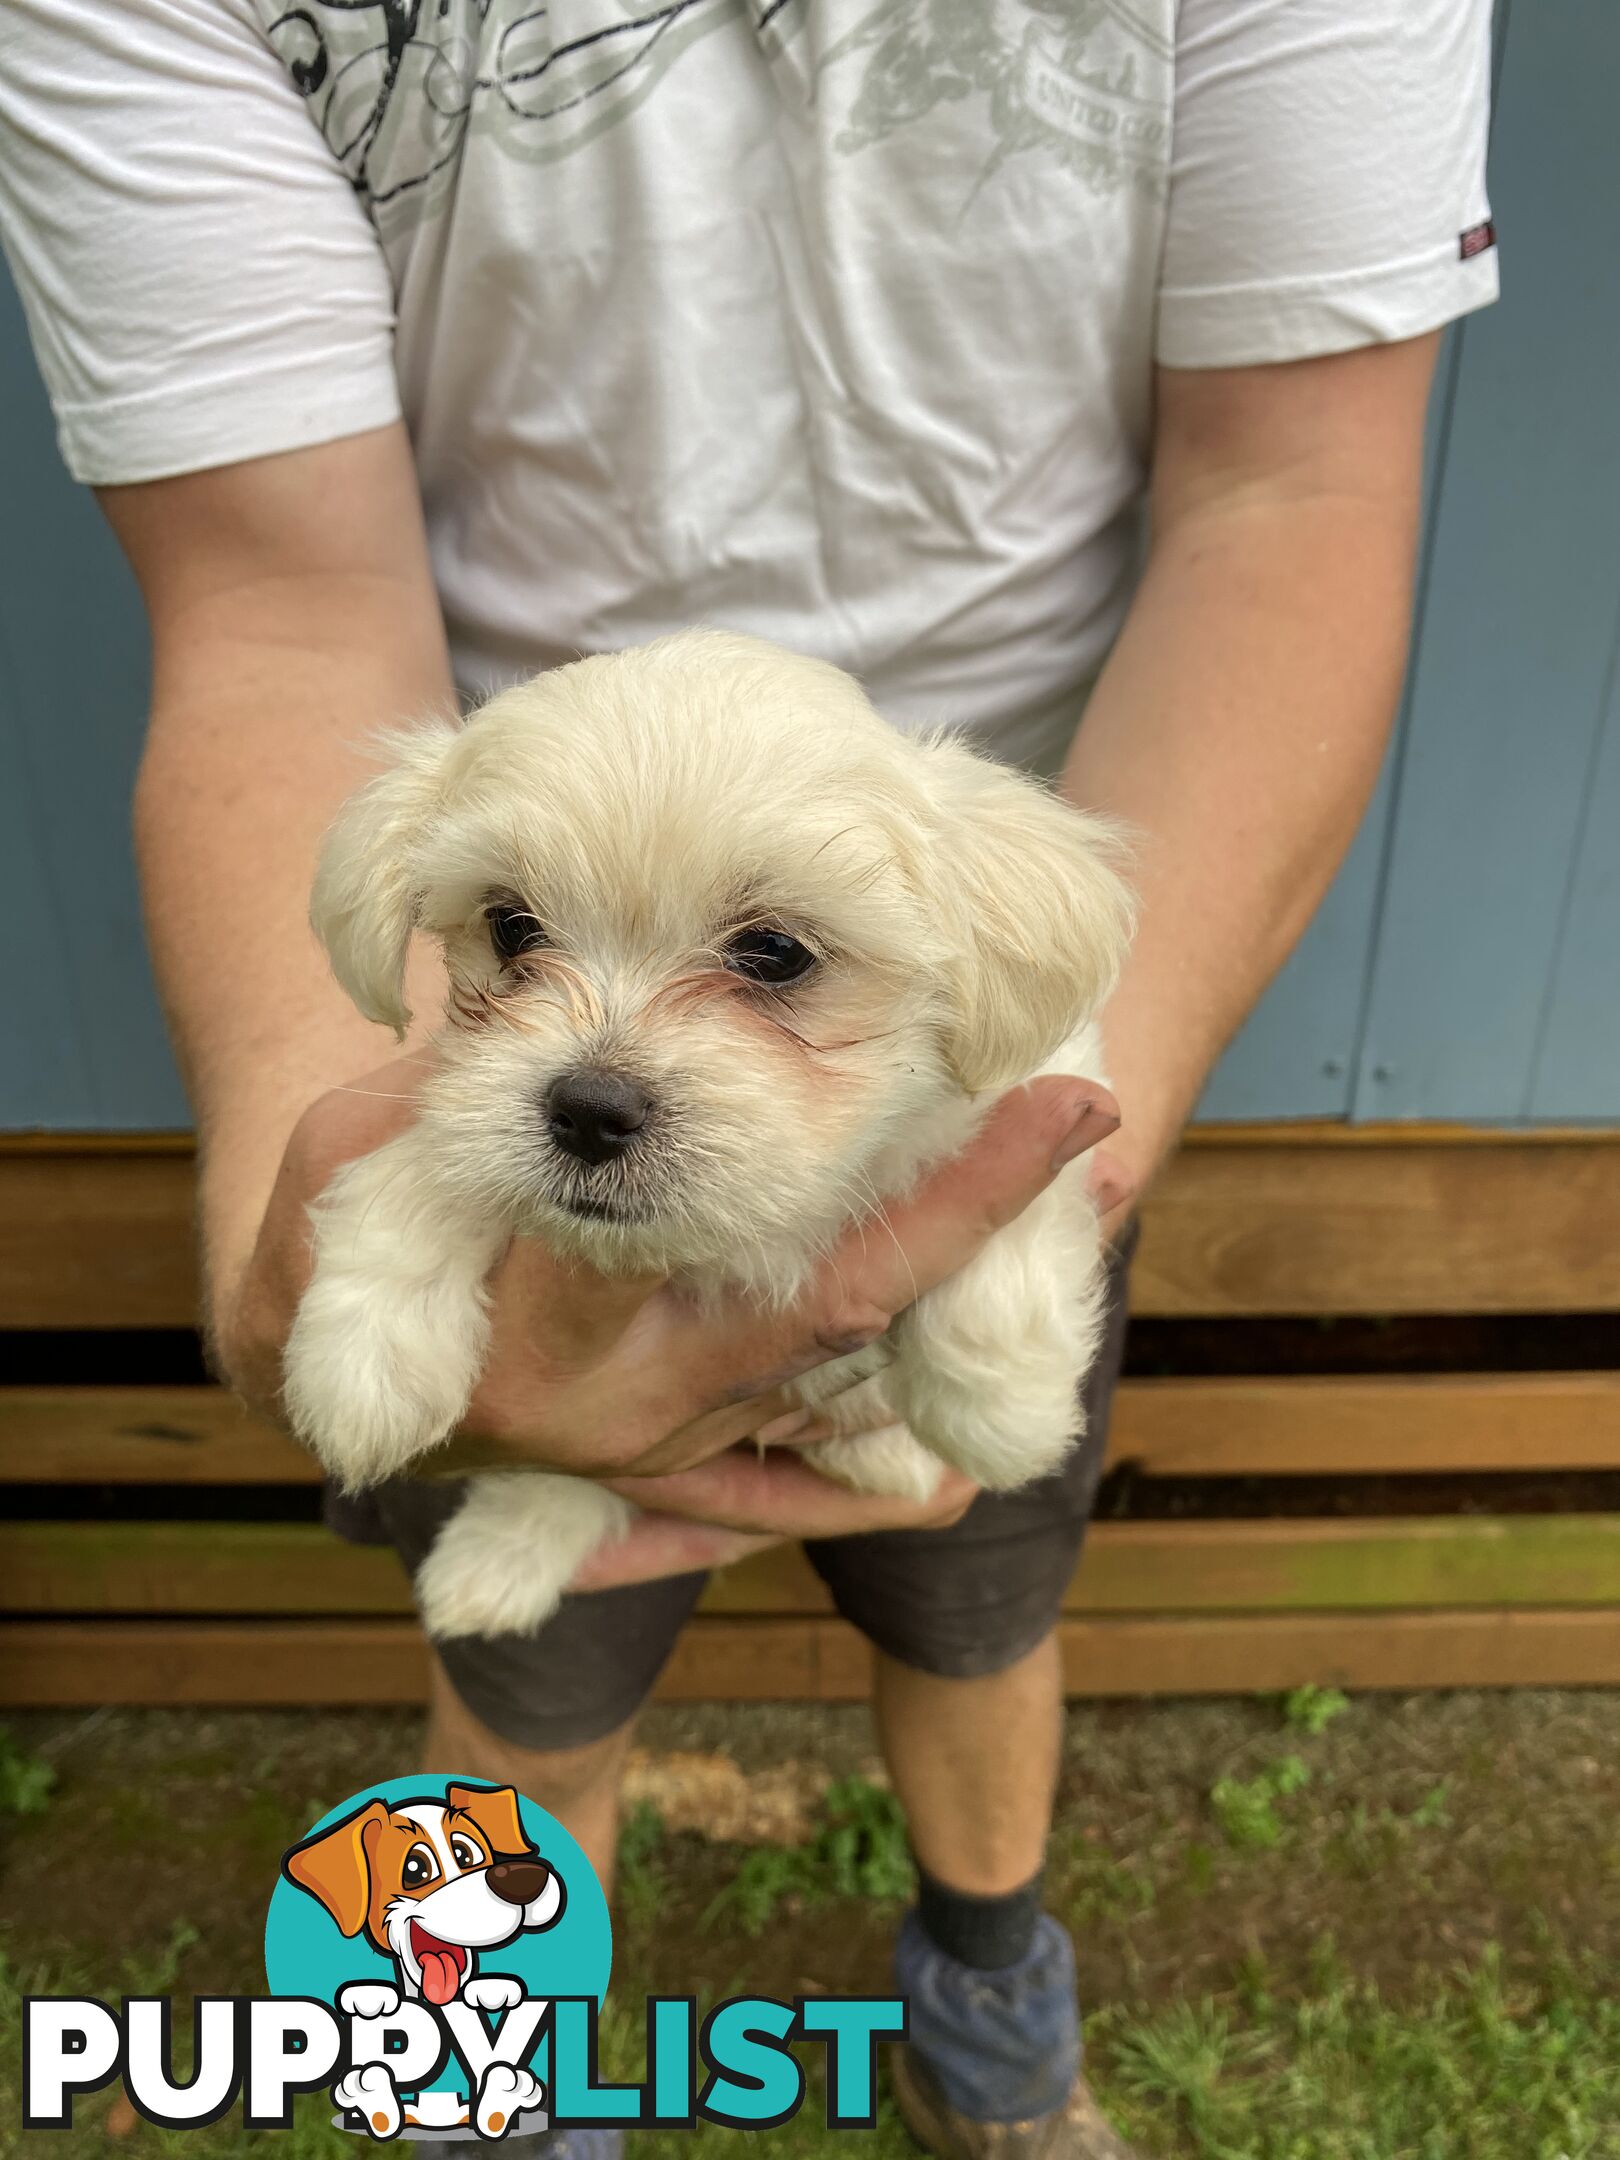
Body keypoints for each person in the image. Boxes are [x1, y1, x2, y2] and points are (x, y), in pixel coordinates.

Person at [0, 3, 1496, 2153]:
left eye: (763, 964)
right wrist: (321, 1215)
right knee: (519, 1655)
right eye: (511, 940)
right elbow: (272, 601)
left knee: (977, 1582)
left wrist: (1031, 1194)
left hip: (1004, 954)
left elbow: (1296, 488)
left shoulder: (996, 928)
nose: (603, 1059)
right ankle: (506, 2073)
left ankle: (994, 1990)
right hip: (553, 880)